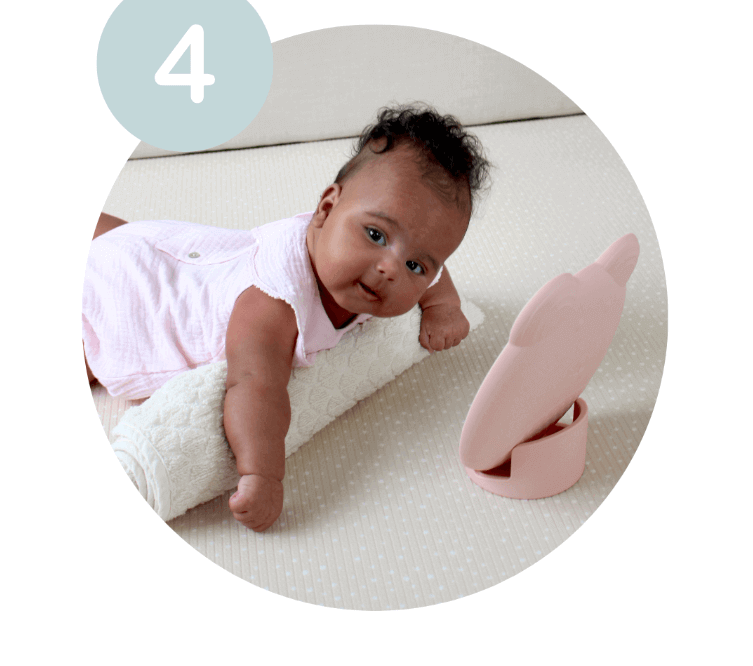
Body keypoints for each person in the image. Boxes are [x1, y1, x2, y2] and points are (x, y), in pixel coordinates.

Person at [84, 105, 491, 531]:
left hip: (180, 255)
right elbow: (255, 387)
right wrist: (262, 473)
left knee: (128, 242)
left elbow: (436, 271)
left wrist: (444, 305)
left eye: (414, 266)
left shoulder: (362, 255)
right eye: (375, 235)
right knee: (94, 331)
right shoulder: (275, 303)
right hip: (129, 297)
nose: (390, 268)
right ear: (326, 207)